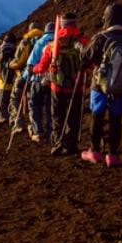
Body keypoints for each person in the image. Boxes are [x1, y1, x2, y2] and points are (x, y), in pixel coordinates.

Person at [80, 3, 122, 167]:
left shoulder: (101, 38)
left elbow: (85, 59)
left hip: (100, 85)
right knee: (116, 119)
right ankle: (112, 155)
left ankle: (95, 152)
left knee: (96, 116)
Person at [34, 13, 88, 157]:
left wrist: (35, 69)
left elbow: (43, 65)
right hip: (77, 86)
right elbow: (90, 62)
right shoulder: (82, 41)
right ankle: (71, 145)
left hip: (57, 85)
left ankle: (58, 142)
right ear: (74, 24)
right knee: (74, 116)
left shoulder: (53, 44)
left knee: (57, 115)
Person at [7, 22, 42, 132]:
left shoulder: (26, 42)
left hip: (24, 75)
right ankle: (34, 128)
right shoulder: (45, 41)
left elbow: (18, 61)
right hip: (39, 76)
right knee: (33, 102)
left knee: (15, 98)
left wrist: (10, 65)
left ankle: (18, 124)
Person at [25, 22, 56, 142]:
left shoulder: (39, 42)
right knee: (50, 107)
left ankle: (37, 132)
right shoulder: (58, 42)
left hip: (37, 79)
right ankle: (50, 130)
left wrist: (27, 76)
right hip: (52, 80)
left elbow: (31, 63)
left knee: (35, 105)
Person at [0, 33, 18, 128]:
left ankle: (3, 116)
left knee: (2, 101)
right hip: (14, 82)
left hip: (2, 82)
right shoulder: (16, 50)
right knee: (12, 102)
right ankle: (13, 121)